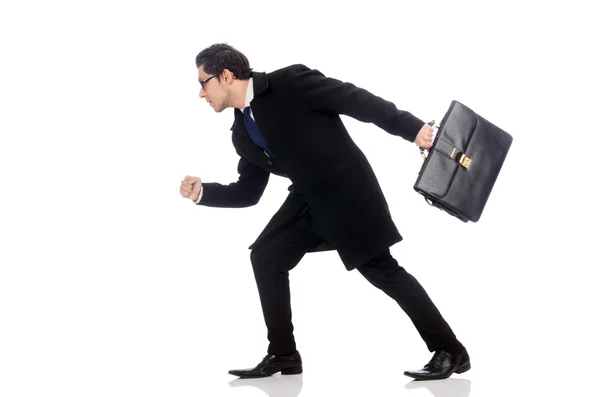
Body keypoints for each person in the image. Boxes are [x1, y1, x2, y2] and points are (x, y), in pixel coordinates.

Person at [180, 43, 470, 381]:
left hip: (347, 193)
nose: (201, 93)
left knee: (381, 270)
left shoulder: (290, 83)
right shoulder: (242, 132)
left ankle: (451, 350)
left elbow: (356, 100)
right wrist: (204, 193)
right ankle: (283, 354)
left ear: (226, 76)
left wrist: (412, 129)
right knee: (265, 256)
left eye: (203, 82)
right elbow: (249, 191)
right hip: (307, 201)